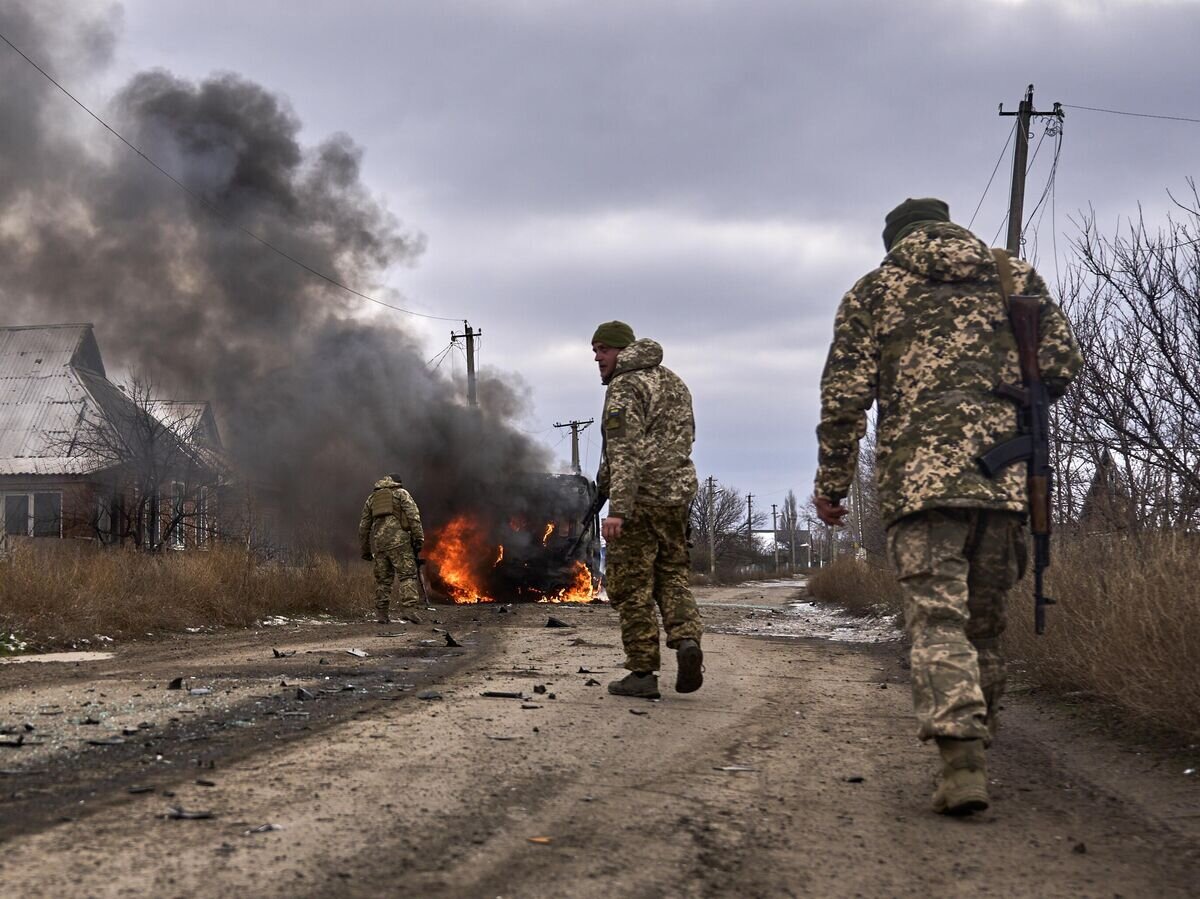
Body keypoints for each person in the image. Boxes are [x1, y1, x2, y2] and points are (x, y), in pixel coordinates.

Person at [813, 198, 1082, 815]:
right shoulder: (1014, 277)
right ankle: (978, 743)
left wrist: (832, 485)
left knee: (937, 622)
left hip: (921, 490)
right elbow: (1064, 366)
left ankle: (962, 760)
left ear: (895, 241)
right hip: (1008, 485)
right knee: (984, 627)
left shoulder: (876, 289)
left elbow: (844, 399)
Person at [592, 320, 704, 699]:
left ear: (623, 350)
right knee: (672, 575)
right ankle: (687, 639)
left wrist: (617, 509)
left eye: (603, 349)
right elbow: (685, 438)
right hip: (676, 499)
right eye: (594, 350)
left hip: (639, 501)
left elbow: (625, 453)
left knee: (631, 587)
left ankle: (642, 672)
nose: (597, 357)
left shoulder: (626, 386)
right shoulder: (673, 382)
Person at [358, 474, 425, 625]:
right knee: (407, 576)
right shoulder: (401, 494)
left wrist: (366, 550)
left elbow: (363, 527)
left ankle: (382, 614)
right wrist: (418, 538)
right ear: (397, 483)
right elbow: (414, 517)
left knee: (383, 581)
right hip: (400, 543)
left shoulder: (372, 498)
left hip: (380, 545)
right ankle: (408, 610)